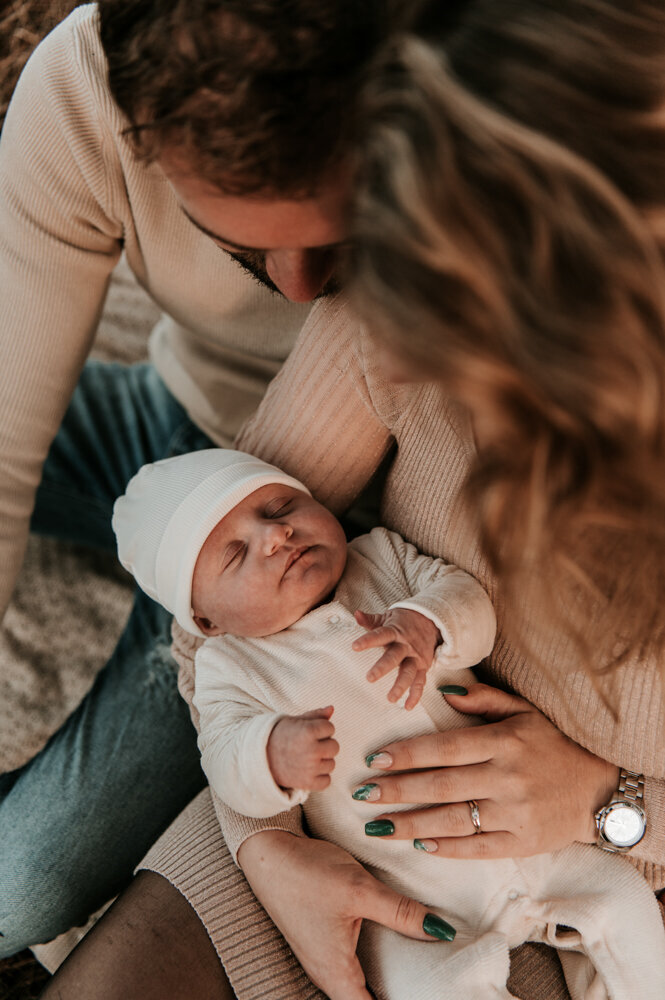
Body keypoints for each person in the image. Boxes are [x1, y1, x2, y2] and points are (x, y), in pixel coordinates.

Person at [27, 1, 665, 999]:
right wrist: (267, 843)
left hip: (598, 872)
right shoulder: (395, 303)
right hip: (334, 826)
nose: (328, 298)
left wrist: (611, 804)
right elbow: (214, 619)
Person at [0, 0, 395, 967]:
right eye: (241, 247)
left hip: (328, 535)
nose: (300, 289)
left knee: (18, 888)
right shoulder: (84, 93)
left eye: (347, 233)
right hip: (174, 428)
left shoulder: (483, 87)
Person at [111, 447, 665, 1000]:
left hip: (538, 840)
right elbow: (223, 759)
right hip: (410, 886)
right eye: (236, 554)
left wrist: (428, 621)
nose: (276, 535)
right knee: (432, 985)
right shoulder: (229, 669)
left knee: (624, 903)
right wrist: (269, 755)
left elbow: (468, 599)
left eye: (282, 507)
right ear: (206, 621)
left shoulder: (380, 557)